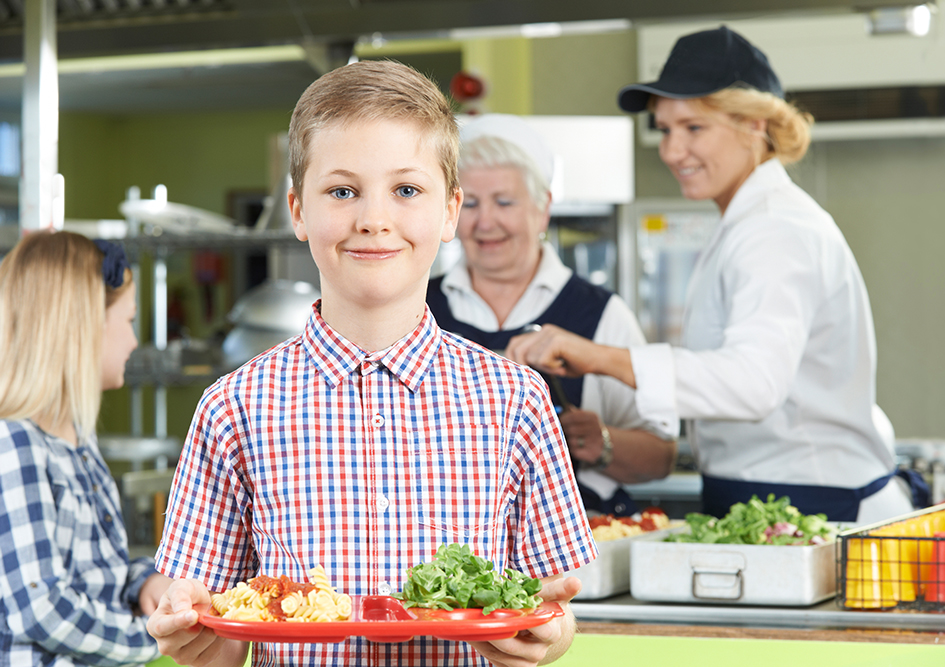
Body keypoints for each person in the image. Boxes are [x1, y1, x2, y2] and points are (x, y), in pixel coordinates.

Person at [145, 60, 596, 667]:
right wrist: (192, 639)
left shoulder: (517, 400)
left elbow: (552, 607)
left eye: (406, 190)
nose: (373, 219)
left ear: (449, 212)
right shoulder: (233, 408)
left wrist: (550, 636)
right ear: (298, 212)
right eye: (342, 190)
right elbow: (216, 632)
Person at [507, 26, 924, 524]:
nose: (671, 151)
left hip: (810, 504)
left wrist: (599, 357)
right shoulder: (748, 221)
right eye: (664, 129)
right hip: (771, 498)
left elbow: (753, 382)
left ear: (754, 125)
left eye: (693, 128)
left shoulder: (775, 229)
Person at [427, 113, 675, 517]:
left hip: (577, 547)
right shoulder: (418, 308)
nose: (485, 221)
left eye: (504, 202)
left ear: (542, 209)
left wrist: (604, 443)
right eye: (469, 203)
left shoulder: (601, 313)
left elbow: (662, 457)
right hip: (445, 545)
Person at [0, 231, 170, 665]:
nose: (133, 341)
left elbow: (96, 570)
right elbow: (42, 609)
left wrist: (144, 583)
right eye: (128, 320)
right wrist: (152, 640)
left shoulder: (76, 439)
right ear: (84, 324)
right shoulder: (14, 444)